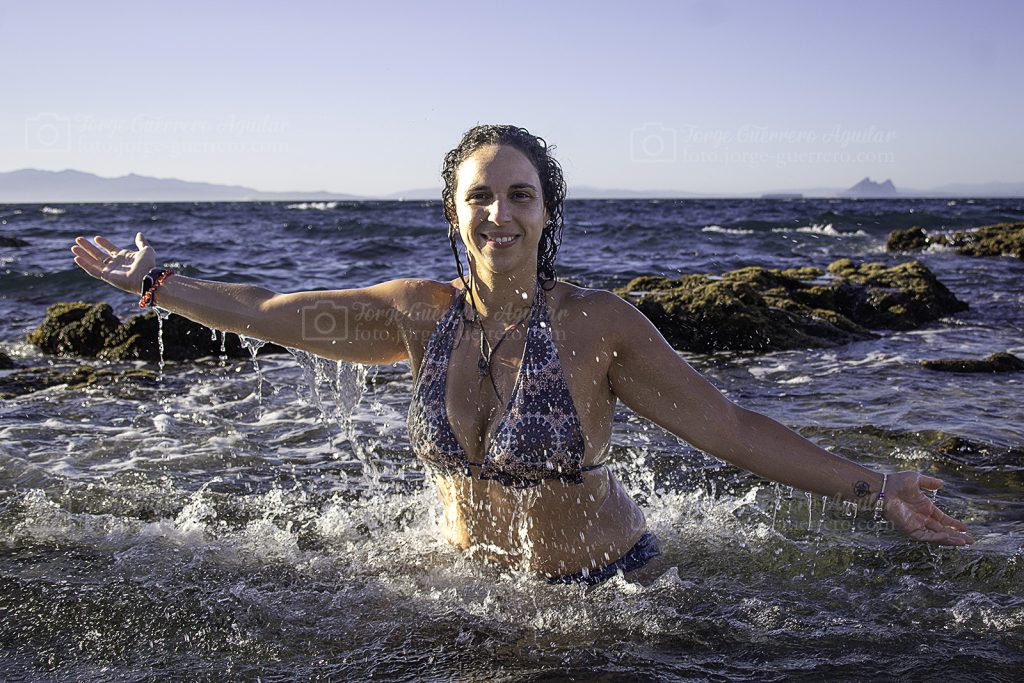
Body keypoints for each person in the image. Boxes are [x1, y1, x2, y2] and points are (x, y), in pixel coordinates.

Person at [71, 124, 973, 585]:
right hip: (470, 588)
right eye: (479, 196)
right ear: (452, 211)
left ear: (546, 213)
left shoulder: (597, 326)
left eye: (519, 195)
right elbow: (270, 309)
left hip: (603, 592)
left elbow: (726, 425)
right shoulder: (414, 317)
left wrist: (875, 484)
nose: (497, 212)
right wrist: (161, 285)